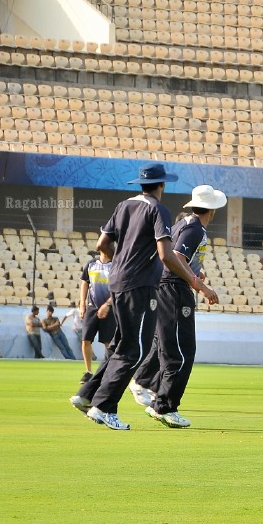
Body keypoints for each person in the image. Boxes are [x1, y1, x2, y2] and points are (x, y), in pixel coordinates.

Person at [69, 163, 218, 431]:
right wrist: (196, 282)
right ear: (161, 185)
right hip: (143, 285)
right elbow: (166, 255)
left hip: (118, 280)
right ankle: (104, 406)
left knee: (122, 344)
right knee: (135, 350)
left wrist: (123, 262)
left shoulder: (124, 205)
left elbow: (102, 244)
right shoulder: (158, 209)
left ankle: (90, 394)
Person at [131, 185, 227, 428]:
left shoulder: (184, 224)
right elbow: (176, 257)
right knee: (182, 351)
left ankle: (152, 390)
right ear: (213, 209)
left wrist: (195, 273)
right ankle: (164, 406)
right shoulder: (194, 228)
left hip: (168, 287)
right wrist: (199, 286)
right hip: (174, 290)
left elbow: (177, 257)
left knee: (166, 345)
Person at [78, 249, 115, 383]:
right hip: (92, 307)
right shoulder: (91, 264)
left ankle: (108, 371)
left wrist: (108, 304)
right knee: (86, 340)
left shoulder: (116, 264)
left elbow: (118, 287)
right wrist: (82, 303)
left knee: (108, 343)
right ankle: (88, 371)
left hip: (110, 309)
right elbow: (85, 283)